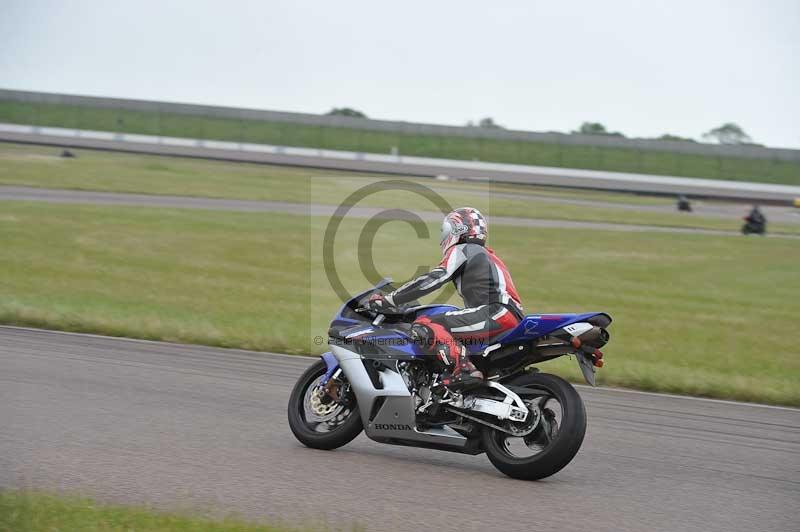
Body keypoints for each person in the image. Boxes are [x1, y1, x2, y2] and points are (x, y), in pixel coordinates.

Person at [367, 207, 524, 390]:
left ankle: (464, 369)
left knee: (426, 324)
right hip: (507, 315)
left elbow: (434, 279)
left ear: (459, 230)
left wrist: (390, 300)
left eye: (447, 230)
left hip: (496, 312)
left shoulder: (464, 249)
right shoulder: (487, 255)